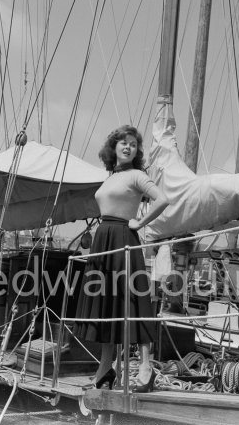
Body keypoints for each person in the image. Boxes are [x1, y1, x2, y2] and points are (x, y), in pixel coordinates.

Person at [74, 125, 170, 392]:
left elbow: (162, 199)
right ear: (113, 147)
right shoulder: (110, 177)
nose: (128, 147)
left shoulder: (137, 175)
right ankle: (105, 369)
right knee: (107, 303)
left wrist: (140, 223)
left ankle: (146, 367)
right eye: (123, 143)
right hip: (103, 240)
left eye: (133, 144)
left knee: (133, 300)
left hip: (123, 237)